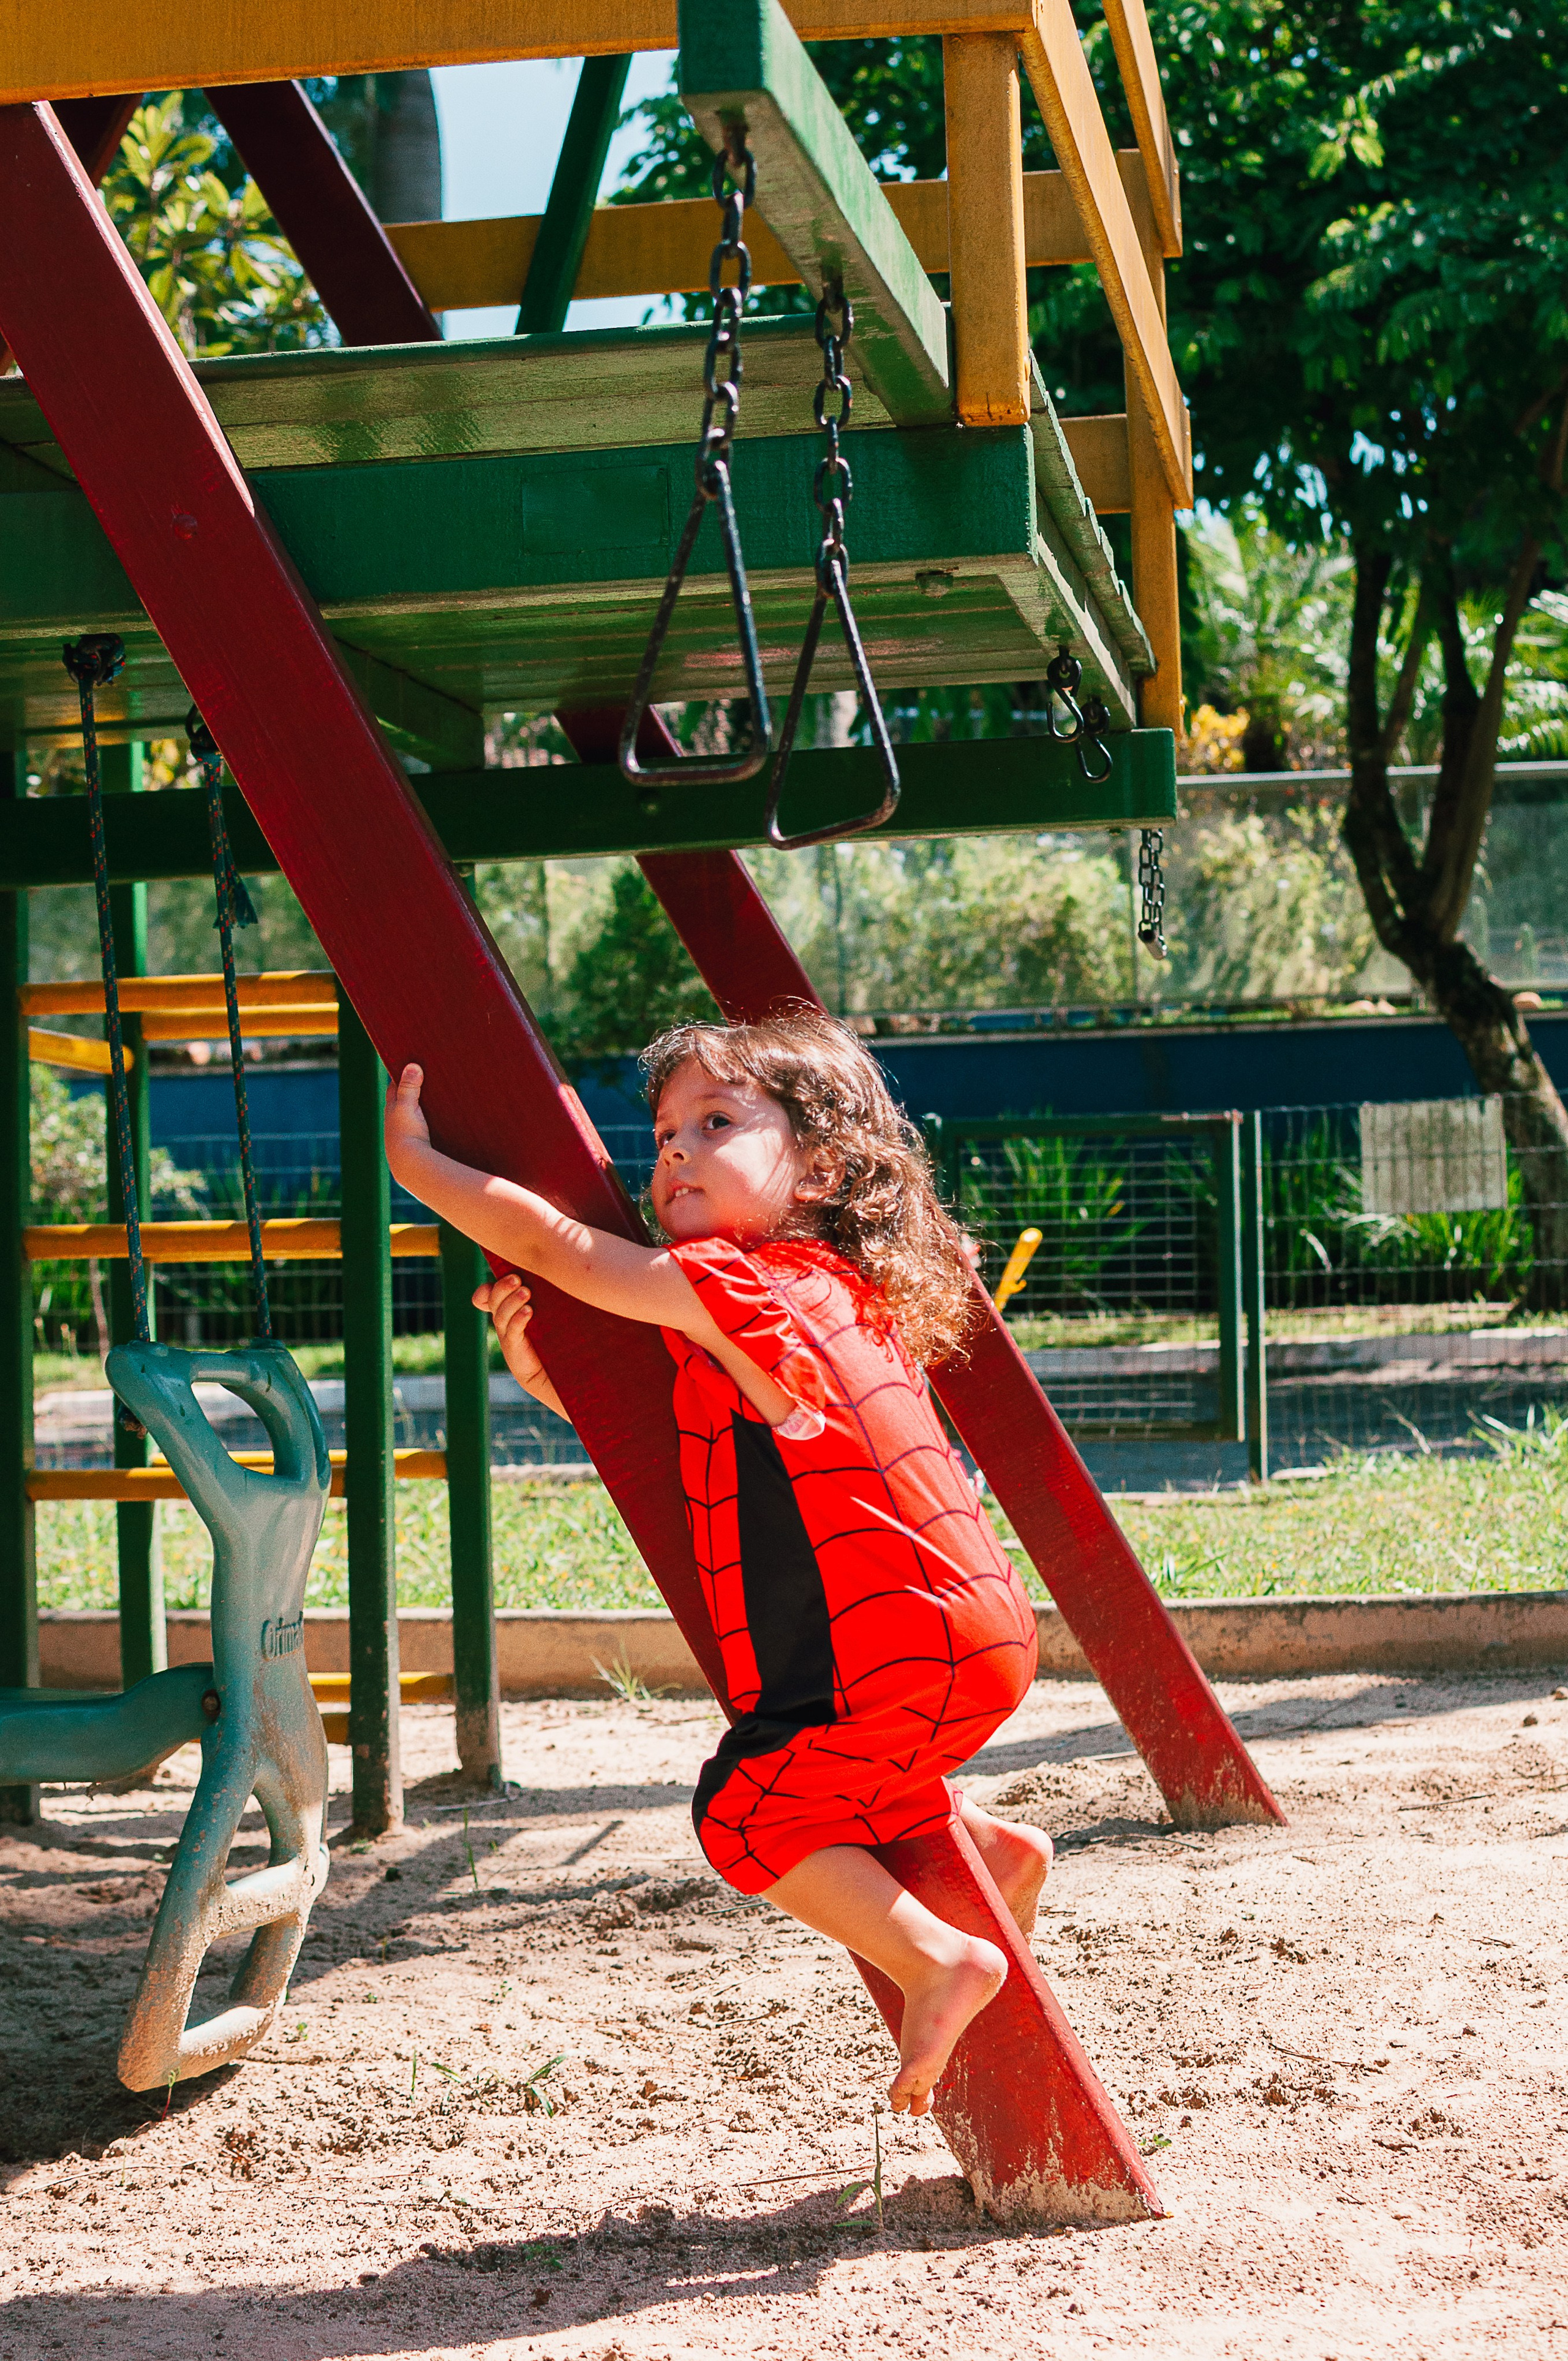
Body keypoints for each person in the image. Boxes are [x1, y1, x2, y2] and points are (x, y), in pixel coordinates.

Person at [384, 1008, 1051, 2115]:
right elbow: (705, 1440)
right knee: (842, 1772)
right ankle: (990, 1850)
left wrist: (424, 1166)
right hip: (976, 1640)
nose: (677, 1149)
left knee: (747, 1813)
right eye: (662, 1135)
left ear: (822, 1164)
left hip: (889, 1650)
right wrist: (556, 1377)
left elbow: (556, 1244)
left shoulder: (737, 1286)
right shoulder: (835, 1294)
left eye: (718, 1121)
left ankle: (942, 1958)